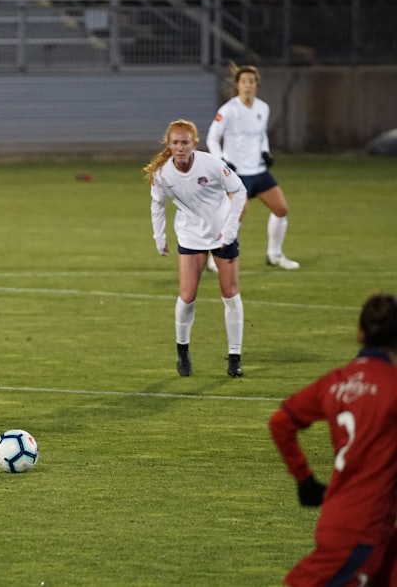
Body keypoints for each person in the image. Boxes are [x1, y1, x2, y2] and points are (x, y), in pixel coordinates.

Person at [269, 293, 397, 587]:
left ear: (360, 333)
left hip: (348, 520)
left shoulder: (336, 381)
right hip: (361, 530)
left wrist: (305, 480)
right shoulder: (392, 386)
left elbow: (281, 422)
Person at [144, 119, 247, 377]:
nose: (180, 147)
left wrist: (231, 229)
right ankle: (182, 350)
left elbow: (239, 191)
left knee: (230, 294)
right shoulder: (163, 174)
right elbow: (157, 205)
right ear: (169, 145)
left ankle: (234, 356)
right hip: (191, 236)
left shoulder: (210, 164)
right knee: (187, 296)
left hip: (222, 233)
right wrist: (159, 237)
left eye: (185, 142)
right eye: (175, 143)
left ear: (194, 143)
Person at [206, 63, 300, 271]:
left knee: (281, 209)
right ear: (237, 85)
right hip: (237, 174)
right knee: (237, 214)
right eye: (244, 82)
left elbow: (261, 134)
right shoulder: (228, 110)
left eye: (251, 82)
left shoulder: (262, 108)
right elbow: (213, 137)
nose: (248, 85)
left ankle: (274, 255)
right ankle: (216, 257)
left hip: (258, 171)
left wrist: (266, 152)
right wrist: (221, 160)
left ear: (257, 85)